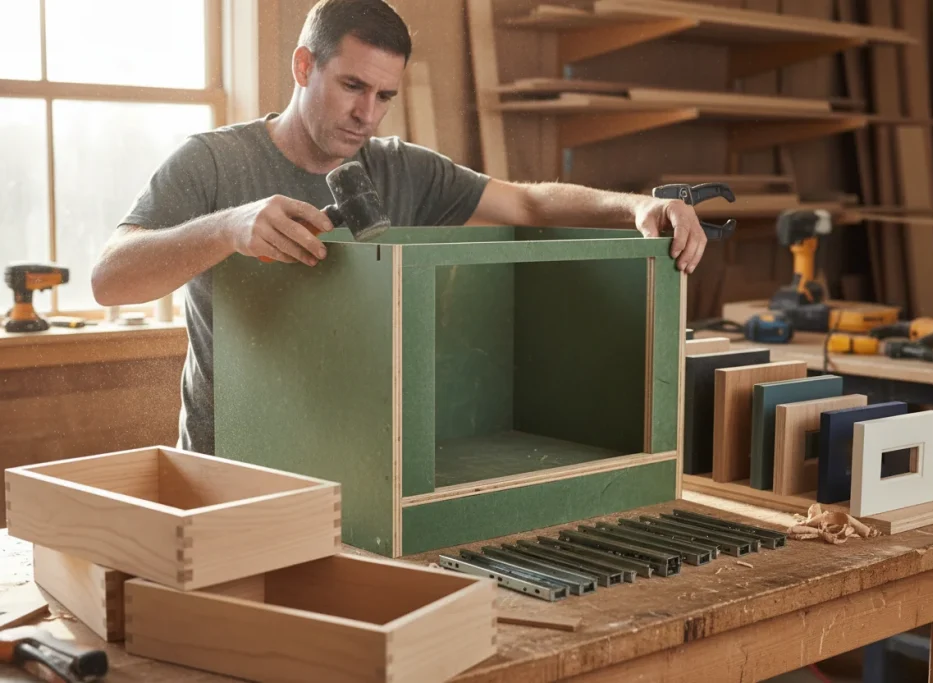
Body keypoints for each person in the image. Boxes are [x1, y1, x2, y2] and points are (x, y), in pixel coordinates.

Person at [91, 0, 709, 456]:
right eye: (352, 86)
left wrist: (635, 208)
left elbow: (528, 204)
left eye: (385, 95)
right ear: (304, 66)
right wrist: (227, 228)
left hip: (360, 465)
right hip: (231, 463)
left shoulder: (401, 170)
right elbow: (109, 280)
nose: (367, 113)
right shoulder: (213, 162)